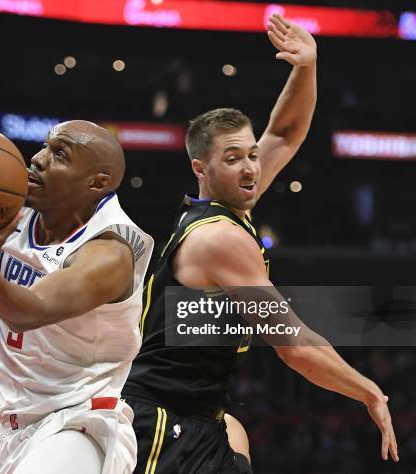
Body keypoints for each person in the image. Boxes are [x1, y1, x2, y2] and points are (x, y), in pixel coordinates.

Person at [122, 14, 399, 473]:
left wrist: (306, 67)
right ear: (200, 168)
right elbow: (294, 346)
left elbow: (286, 133)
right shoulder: (221, 239)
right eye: (234, 159)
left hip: (200, 417)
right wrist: (370, 391)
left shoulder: (230, 204)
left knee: (234, 429)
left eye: (252, 155)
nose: (251, 168)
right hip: (163, 424)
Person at [0, 120, 154, 474]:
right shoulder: (12, 218)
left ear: (98, 182)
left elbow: (27, 311)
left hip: (79, 425)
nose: (38, 159)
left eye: (59, 154)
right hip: (12, 430)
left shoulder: (110, 251)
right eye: (45, 146)